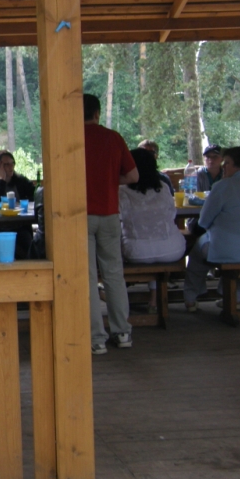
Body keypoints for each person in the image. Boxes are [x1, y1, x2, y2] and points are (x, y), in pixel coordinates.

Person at [183, 146, 240, 312]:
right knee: (238, 256)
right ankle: (234, 298)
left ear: (239, 165)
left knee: (197, 253)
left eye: (227, 163)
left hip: (228, 249)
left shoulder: (222, 185)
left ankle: (191, 298)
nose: (223, 166)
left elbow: (203, 221)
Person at [84, 94, 138, 354]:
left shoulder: (71, 137)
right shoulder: (113, 138)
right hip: (109, 214)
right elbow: (133, 175)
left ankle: (96, 339)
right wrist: (110, 180)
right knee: (114, 274)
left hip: (81, 216)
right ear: (97, 113)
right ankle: (122, 332)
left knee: (87, 277)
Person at [118, 149, 186, 310]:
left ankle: (119, 296)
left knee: (124, 243)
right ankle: (154, 299)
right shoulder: (163, 187)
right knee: (161, 243)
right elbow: (172, 214)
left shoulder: (121, 191)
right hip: (172, 249)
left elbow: (118, 218)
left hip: (136, 252)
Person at [0, 149, 35, 260]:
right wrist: (2, 180)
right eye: (6, 164)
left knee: (27, 241)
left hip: (17, 224)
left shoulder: (20, 180)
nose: (11, 167)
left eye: (12, 163)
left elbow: (34, 194)